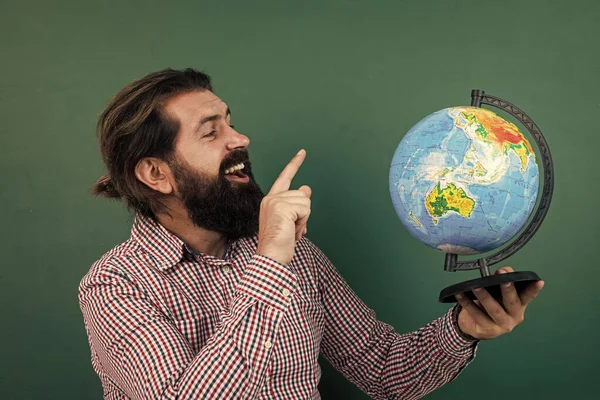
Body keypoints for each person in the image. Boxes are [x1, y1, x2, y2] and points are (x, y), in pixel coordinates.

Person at [78, 68, 544, 400]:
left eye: (231, 122)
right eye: (210, 132)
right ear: (156, 173)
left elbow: (384, 371)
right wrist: (270, 264)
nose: (239, 139)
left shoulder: (296, 256)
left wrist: (464, 330)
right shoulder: (115, 286)